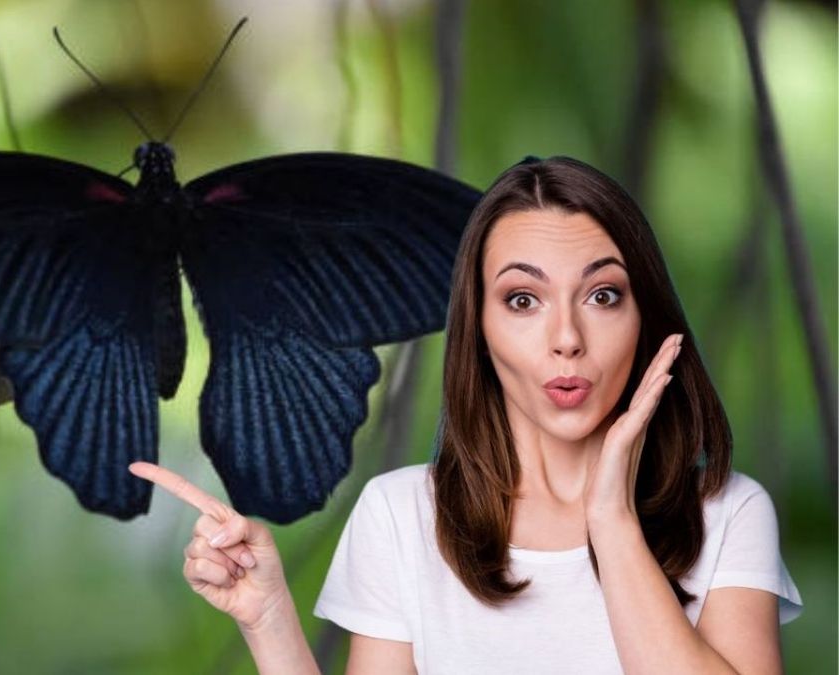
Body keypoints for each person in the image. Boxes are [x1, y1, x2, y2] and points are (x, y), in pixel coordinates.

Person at [129, 156, 804, 674]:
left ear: (645, 315)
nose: (566, 337)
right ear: (476, 326)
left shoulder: (729, 514)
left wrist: (612, 519)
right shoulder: (400, 515)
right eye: (522, 300)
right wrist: (269, 617)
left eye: (602, 294)